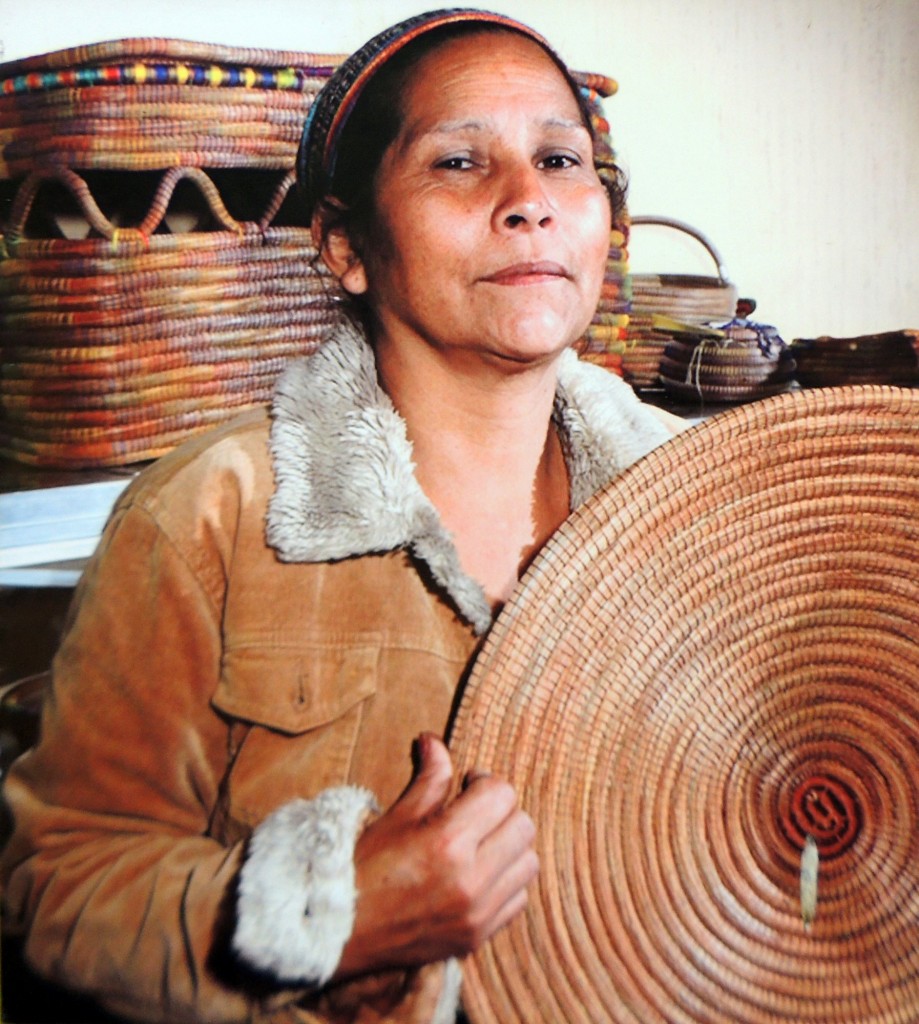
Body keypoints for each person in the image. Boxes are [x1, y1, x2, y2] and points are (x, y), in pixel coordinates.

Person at [0, 9, 683, 1023]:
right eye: (458, 161)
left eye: (559, 158)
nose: (527, 201)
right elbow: (58, 885)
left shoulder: (700, 509)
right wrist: (337, 921)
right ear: (343, 245)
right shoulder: (205, 518)